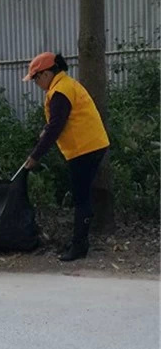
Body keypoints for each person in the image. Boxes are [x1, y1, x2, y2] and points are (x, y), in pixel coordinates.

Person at [23, 52, 110, 261]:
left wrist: (35, 156)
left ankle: (79, 246)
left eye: (36, 78)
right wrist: (47, 129)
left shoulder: (60, 91)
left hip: (84, 149)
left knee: (81, 198)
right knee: (82, 195)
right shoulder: (65, 85)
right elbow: (60, 120)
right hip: (90, 145)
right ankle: (79, 241)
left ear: (46, 74)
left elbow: (56, 126)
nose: (36, 83)